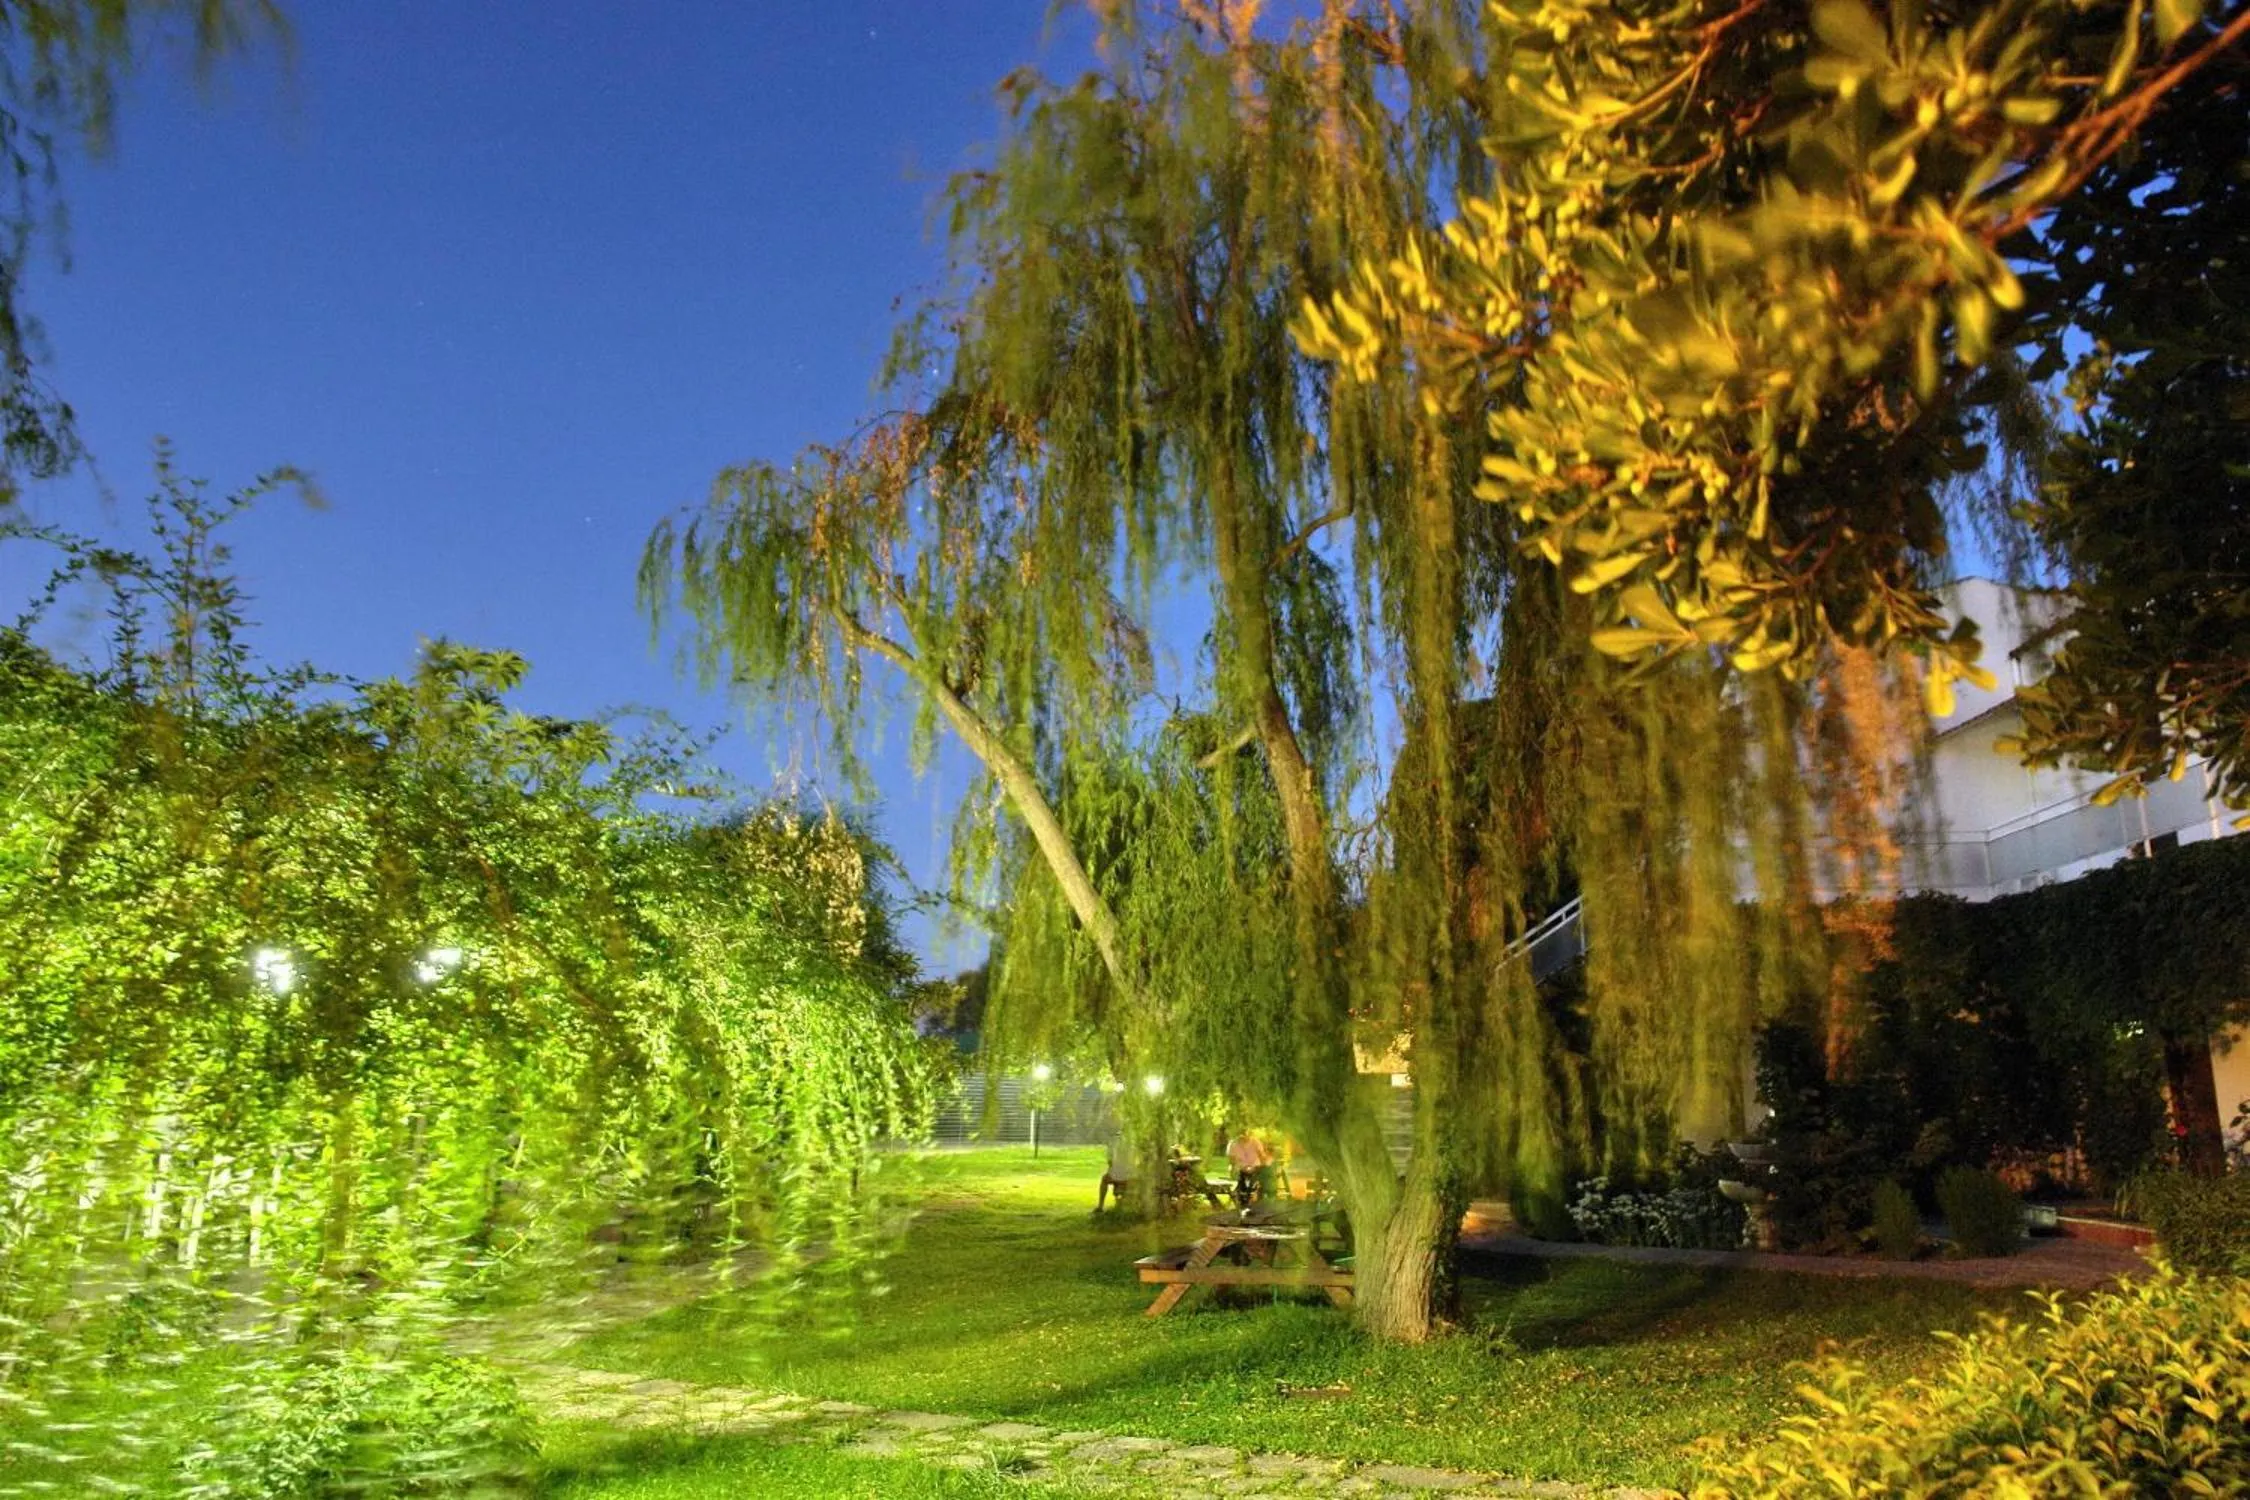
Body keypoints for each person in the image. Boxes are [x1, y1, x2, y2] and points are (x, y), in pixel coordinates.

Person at [1225, 1126, 1273, 1207]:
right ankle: (1245, 1199)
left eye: (1246, 1136)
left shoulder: (1255, 1142)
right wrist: (1241, 1167)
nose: (1244, 1138)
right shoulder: (1233, 1144)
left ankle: (1255, 1197)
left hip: (1255, 1168)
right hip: (1241, 1169)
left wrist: (1264, 1163)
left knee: (1260, 1175)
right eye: (1242, 1136)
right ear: (1238, 1136)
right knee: (1244, 1177)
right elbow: (1232, 1160)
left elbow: (1262, 1156)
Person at [1096, 1129, 1136, 1211]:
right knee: (1107, 1178)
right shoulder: (1132, 1145)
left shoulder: (1116, 1144)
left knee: (1105, 1179)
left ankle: (1100, 1206)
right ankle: (1101, 1206)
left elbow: (1110, 1162)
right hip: (1128, 1175)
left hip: (1126, 1176)